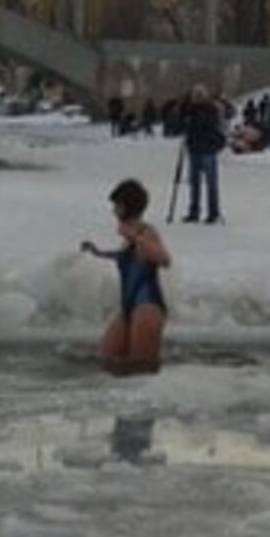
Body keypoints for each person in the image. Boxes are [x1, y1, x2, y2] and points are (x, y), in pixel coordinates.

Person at [83, 179, 171, 376]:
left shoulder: (146, 232)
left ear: (126, 207)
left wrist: (134, 237)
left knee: (141, 370)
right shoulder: (129, 237)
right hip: (129, 307)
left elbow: (164, 260)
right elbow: (127, 259)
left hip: (148, 306)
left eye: (116, 206)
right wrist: (97, 252)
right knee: (106, 359)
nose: (113, 211)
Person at [180, 85, 226, 224]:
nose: (197, 99)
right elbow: (183, 122)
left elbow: (210, 125)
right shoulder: (190, 110)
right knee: (194, 183)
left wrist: (196, 119)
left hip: (208, 149)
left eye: (199, 96)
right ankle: (194, 211)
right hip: (195, 148)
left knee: (211, 183)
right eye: (195, 96)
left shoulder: (211, 109)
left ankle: (213, 212)